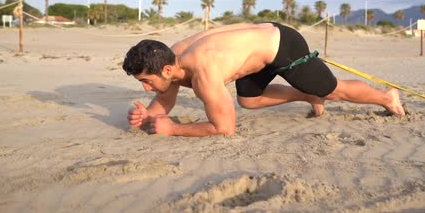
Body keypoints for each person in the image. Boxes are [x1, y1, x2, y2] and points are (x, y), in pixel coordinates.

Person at [123, 22, 405, 137]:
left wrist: (173, 130)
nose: (147, 88)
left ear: (167, 70)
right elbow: (164, 99)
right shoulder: (170, 58)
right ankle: (308, 95)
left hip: (283, 45)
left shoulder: (204, 72)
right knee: (248, 99)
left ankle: (386, 97)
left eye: (146, 81)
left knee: (334, 90)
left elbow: (224, 129)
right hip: (257, 51)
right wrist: (146, 115)